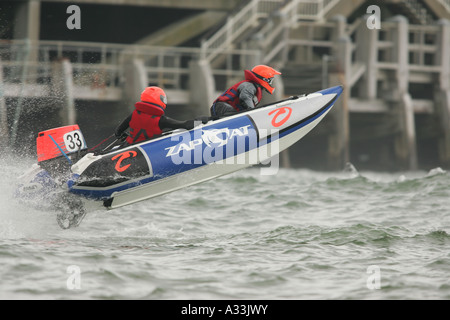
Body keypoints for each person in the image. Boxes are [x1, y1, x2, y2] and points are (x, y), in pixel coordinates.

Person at [115, 86, 202, 145]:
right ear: (160, 100)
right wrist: (202, 121)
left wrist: (122, 136)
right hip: (146, 152)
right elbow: (185, 125)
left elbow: (118, 132)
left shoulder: (134, 114)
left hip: (128, 146)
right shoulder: (161, 120)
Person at [210, 65, 282, 117]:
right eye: (270, 80)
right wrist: (253, 113)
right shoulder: (250, 85)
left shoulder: (254, 87)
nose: (270, 83)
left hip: (223, 108)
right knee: (237, 120)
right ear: (265, 79)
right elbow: (245, 96)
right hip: (223, 108)